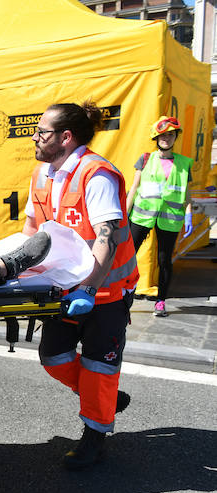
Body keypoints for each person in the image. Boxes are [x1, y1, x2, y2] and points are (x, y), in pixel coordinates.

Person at [22, 101, 139, 470]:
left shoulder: (97, 174)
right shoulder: (42, 174)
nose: (36, 138)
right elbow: (31, 231)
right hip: (62, 290)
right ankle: (99, 397)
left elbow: (108, 237)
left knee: (99, 366)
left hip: (104, 294)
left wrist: (89, 289)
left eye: (43, 132)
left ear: (66, 137)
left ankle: (95, 435)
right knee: (54, 357)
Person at [125, 116, 195, 317]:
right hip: (141, 215)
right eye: (162, 135)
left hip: (170, 218)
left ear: (175, 137)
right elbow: (134, 188)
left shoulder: (183, 163)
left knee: (165, 260)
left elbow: (186, 191)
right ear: (156, 137)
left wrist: (189, 213)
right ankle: (123, 294)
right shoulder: (146, 159)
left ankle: (161, 301)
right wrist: (124, 214)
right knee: (129, 256)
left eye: (170, 135)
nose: (166, 138)